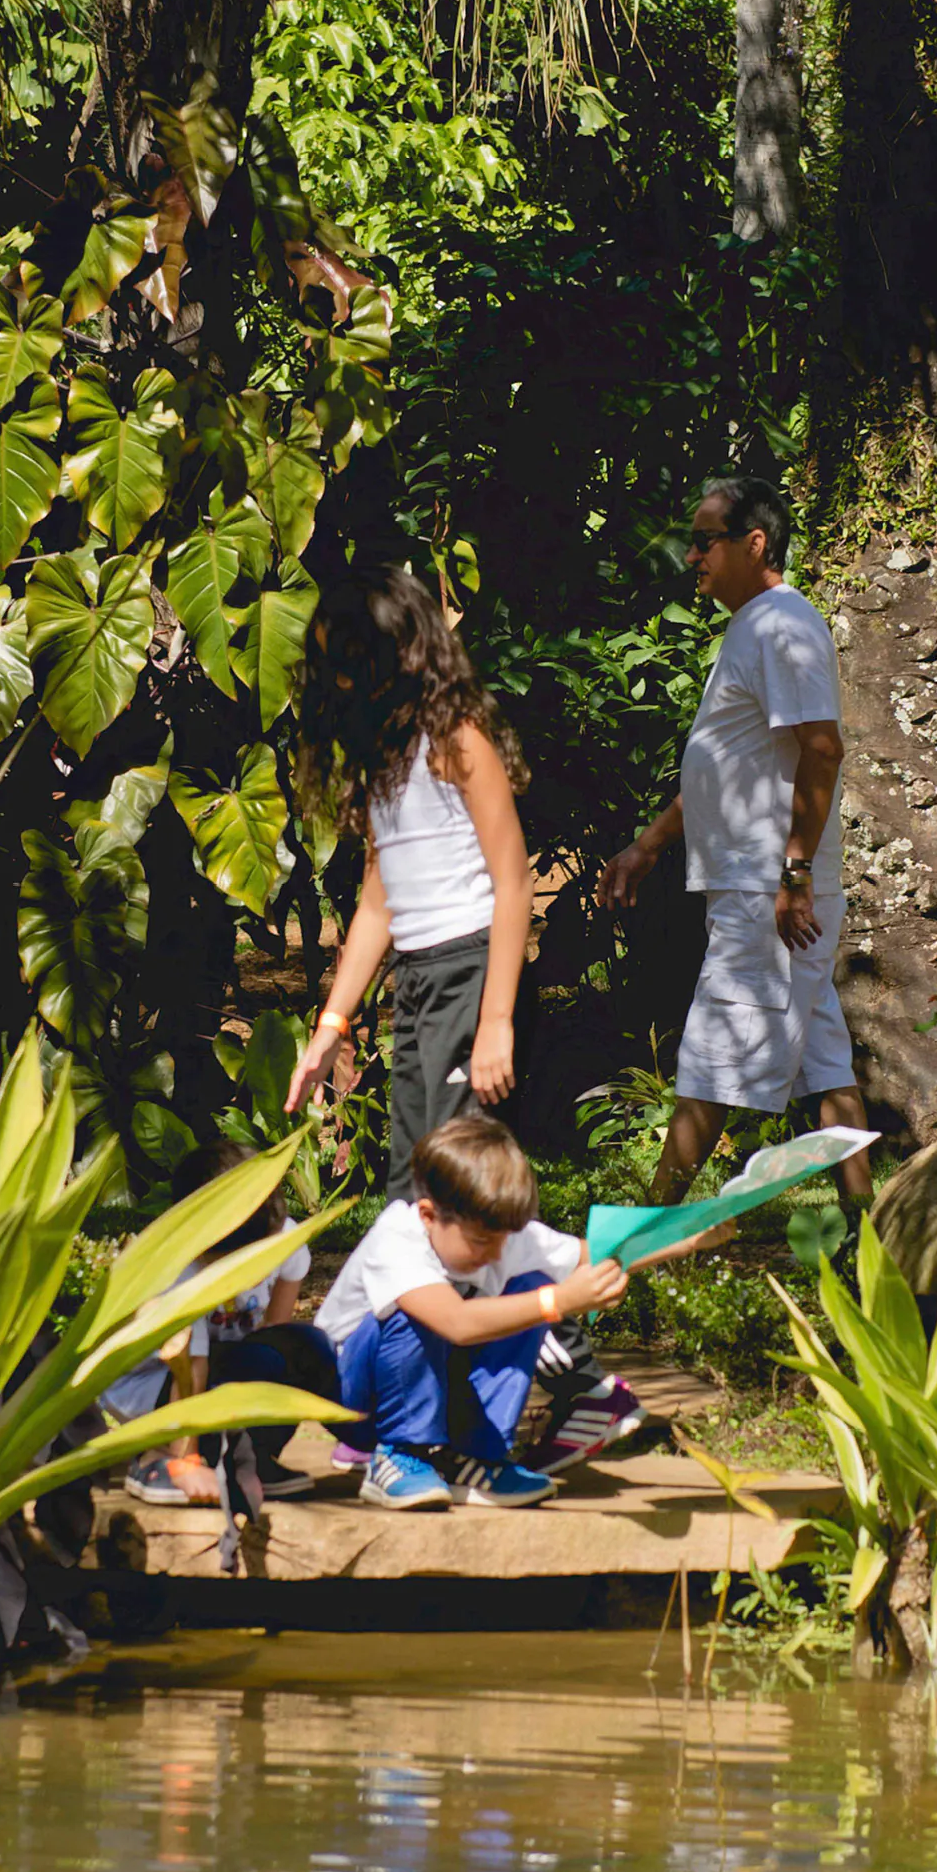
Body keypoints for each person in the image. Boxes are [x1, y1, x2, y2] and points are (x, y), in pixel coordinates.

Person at [286, 565, 644, 1476]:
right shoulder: (386, 753)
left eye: (350, 663)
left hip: (470, 972)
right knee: (433, 1194)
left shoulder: (457, 738)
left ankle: (572, 1387)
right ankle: (443, 1405)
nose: (337, 683)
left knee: (446, 1197)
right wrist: (332, 1022)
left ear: (398, 655)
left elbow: (514, 878)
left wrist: (496, 1023)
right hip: (419, 980)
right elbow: (378, 904)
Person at [597, 478, 874, 1212]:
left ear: (755, 544)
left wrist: (794, 872)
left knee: (712, 1060)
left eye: (705, 539)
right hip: (760, 884)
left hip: (769, 891)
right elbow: (727, 768)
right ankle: (871, 1240)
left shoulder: (782, 625)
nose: (692, 556)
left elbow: (822, 749)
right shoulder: (753, 627)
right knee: (826, 1069)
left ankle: (648, 1243)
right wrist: (647, 847)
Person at [314, 1114, 727, 1511]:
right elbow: (454, 1323)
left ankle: (476, 1458)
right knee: (423, 1311)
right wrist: (559, 1302)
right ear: (428, 1214)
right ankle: (399, 1454)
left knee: (529, 1285)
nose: (495, 1254)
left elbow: (591, 1257)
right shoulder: (397, 1240)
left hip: (436, 1386)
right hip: (353, 1401)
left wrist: (687, 1237)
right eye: (480, 1241)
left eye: (503, 1240)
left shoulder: (502, 1238)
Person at [115, 1141, 320, 1506]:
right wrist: (187, 1460)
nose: (252, 1272)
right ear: (200, 1243)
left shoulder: (284, 1241)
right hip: (151, 1384)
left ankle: (248, 1458)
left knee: (303, 1349)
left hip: (217, 1368)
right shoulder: (179, 1273)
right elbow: (189, 1369)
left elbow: (275, 1337)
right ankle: (158, 1458)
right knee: (206, 1380)